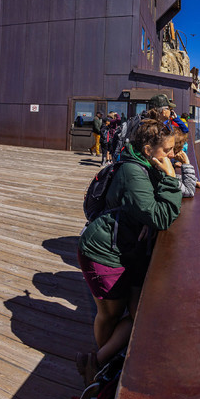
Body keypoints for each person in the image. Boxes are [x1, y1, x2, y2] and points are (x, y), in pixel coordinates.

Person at [76, 119, 182, 380]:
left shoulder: (145, 163)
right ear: (148, 149)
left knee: (138, 314)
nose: (172, 155)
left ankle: (100, 361)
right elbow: (160, 216)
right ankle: (98, 365)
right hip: (102, 251)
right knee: (110, 314)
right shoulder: (133, 172)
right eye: (167, 150)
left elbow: (152, 208)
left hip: (125, 248)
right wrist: (171, 179)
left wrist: (180, 177)